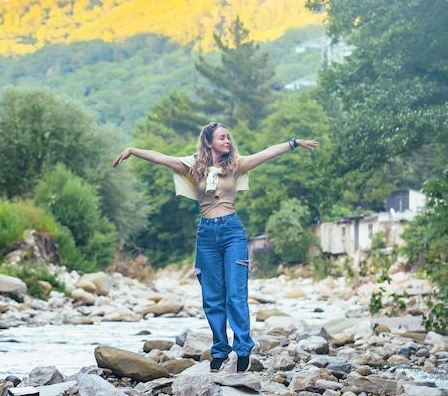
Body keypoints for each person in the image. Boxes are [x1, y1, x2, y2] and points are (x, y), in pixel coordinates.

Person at [112, 122, 318, 373]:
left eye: (228, 137)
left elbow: (266, 153)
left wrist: (294, 143)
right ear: (209, 142)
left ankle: (243, 349)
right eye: (222, 137)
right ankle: (220, 349)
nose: (228, 141)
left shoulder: (236, 165)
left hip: (232, 232)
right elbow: (162, 158)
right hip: (206, 235)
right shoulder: (194, 167)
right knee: (212, 298)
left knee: (235, 295)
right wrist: (133, 150)